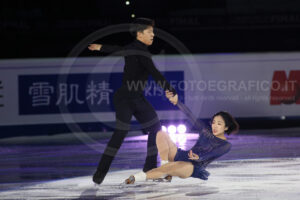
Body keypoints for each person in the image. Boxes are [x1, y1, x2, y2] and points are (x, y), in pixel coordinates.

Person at [88, 18, 177, 185]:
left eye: (153, 32)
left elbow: (118, 50)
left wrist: (100, 47)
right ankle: (100, 172)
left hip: (137, 98)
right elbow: (155, 73)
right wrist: (171, 91)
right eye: (149, 32)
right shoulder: (140, 52)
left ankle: (149, 168)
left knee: (156, 128)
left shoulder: (133, 48)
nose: (153, 35)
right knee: (120, 133)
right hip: (124, 99)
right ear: (139, 34)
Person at [125, 91, 239, 184]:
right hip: (182, 155)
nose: (215, 126)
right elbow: (190, 115)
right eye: (214, 122)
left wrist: (198, 157)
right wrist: (177, 102)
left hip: (192, 165)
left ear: (226, 127)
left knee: (166, 169)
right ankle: (165, 167)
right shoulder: (205, 131)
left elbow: (211, 154)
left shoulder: (226, 145)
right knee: (161, 134)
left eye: (219, 124)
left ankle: (135, 178)